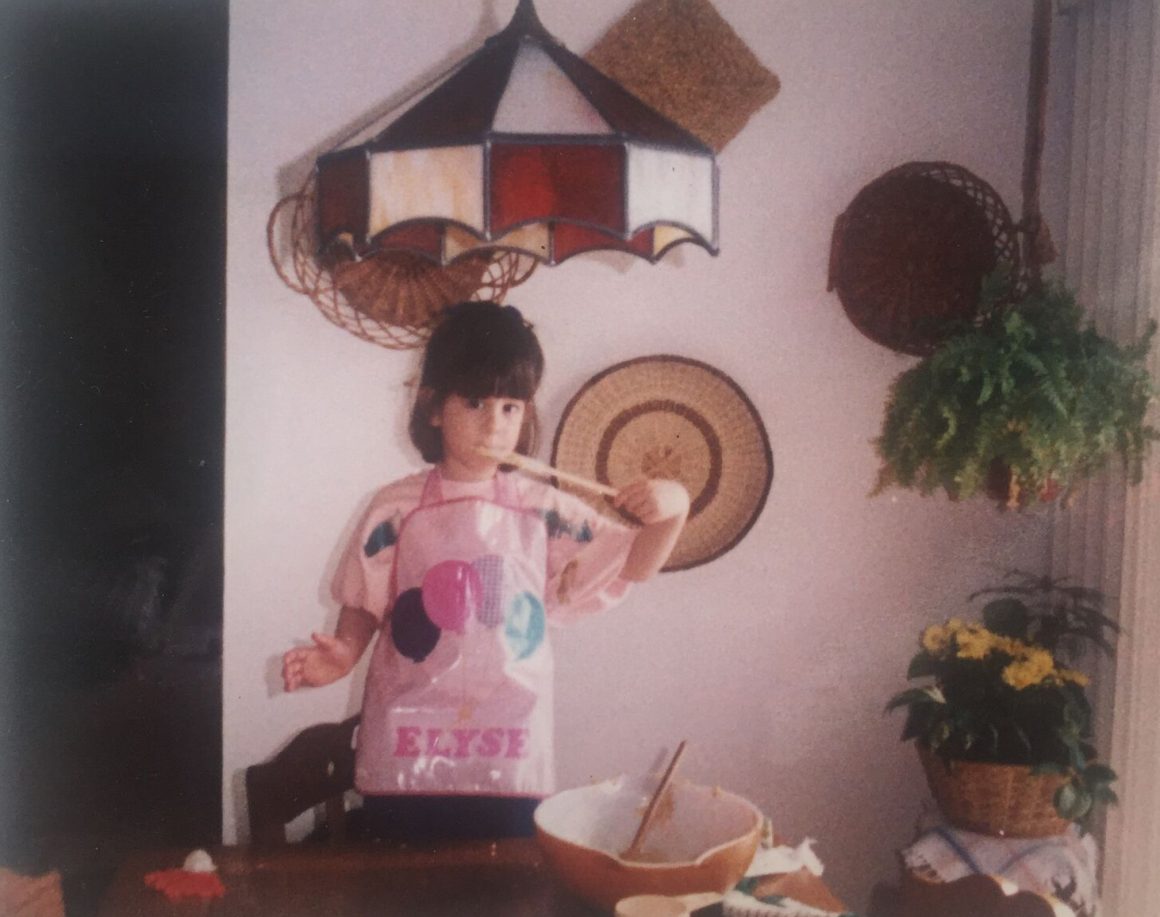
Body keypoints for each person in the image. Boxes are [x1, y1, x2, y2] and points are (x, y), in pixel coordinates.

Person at [282, 302, 689, 841]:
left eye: (510, 407)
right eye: (475, 402)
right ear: (432, 407)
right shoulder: (395, 507)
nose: (494, 425)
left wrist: (674, 507)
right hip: (406, 751)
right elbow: (365, 600)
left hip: (510, 755)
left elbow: (632, 564)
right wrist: (342, 652)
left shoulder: (545, 510)